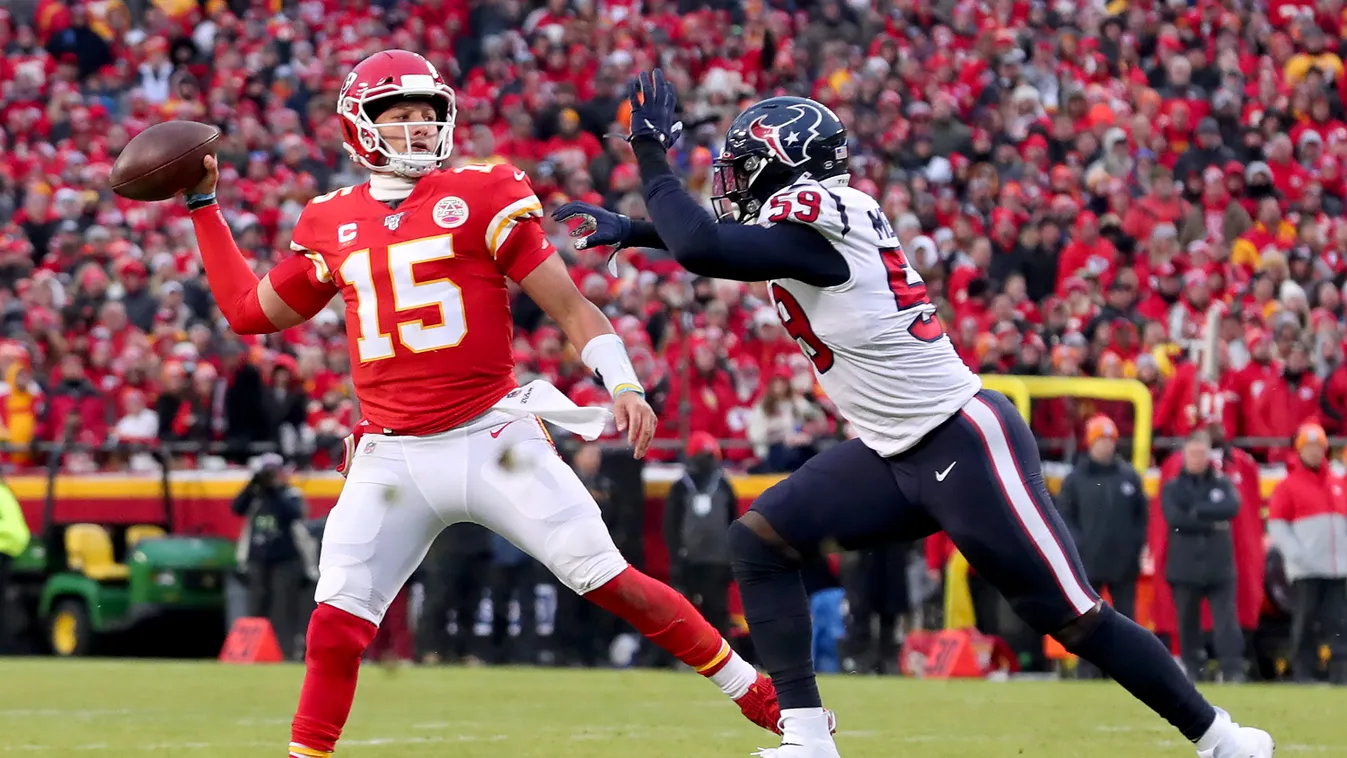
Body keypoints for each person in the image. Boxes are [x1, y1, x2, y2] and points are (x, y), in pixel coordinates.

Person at [555, 70, 1273, 758]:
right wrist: (633, 228)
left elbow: (708, 245)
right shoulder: (807, 221)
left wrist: (650, 153)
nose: (734, 182)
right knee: (760, 540)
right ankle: (807, 737)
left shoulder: (817, 221)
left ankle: (1222, 739)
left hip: (962, 441)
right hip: (893, 452)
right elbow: (724, 244)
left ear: (786, 167)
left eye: (745, 167)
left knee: (1074, 618)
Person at [185, 51, 780, 758]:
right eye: (398, 115)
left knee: (609, 579)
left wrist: (621, 382)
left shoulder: (482, 190)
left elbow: (569, 305)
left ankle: (761, 697)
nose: (417, 128)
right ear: (358, 125)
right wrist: (203, 207)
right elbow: (251, 312)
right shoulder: (329, 220)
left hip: (491, 436)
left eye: (427, 113)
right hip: (391, 453)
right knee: (334, 625)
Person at [1162, 430, 1245, 683]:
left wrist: (1196, 511)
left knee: (1227, 622)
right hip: (1184, 567)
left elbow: (1232, 507)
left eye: (1201, 453)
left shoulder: (1222, 483)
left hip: (1219, 567)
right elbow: (1175, 518)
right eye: (1192, 453)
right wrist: (1211, 521)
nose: (1197, 459)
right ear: (1184, 455)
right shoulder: (1173, 487)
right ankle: (1193, 669)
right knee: (1187, 623)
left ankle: (1232, 669)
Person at [1267, 422, 1347, 684]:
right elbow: (1278, 526)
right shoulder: (1288, 486)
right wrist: (1298, 555)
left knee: (1340, 624)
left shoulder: (1338, 482)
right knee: (1305, 623)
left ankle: (1341, 672)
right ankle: (1304, 673)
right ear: (1299, 451)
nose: (1314, 452)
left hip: (1338, 567)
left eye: (1318, 447)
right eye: (1309, 447)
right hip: (1306, 569)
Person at [1056, 415, 1148, 622]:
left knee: (1127, 620)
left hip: (1123, 564)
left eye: (1110, 440)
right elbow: (1065, 517)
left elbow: (1141, 515)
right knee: (1087, 621)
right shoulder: (1075, 479)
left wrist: (1135, 546)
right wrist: (1079, 546)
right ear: (1090, 442)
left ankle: (1125, 655)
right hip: (1088, 564)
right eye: (1101, 440)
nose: (1106, 445)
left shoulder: (1129, 476)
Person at [231, 453, 319, 661]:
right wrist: (252, 485)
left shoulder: (290, 494)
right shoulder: (255, 495)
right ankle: (253, 651)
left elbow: (294, 514)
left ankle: (285, 651)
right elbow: (236, 508)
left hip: (286, 559)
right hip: (258, 558)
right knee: (257, 606)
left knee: (283, 607)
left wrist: (275, 490)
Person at [664, 432, 738, 638]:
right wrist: (677, 557)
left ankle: (722, 660)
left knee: (717, 613)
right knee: (684, 613)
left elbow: (733, 522)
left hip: (717, 560)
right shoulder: (681, 488)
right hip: (690, 559)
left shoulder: (723, 486)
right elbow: (671, 525)